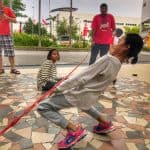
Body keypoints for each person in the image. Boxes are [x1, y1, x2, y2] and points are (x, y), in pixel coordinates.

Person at [37, 34, 143, 149]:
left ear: (126, 46)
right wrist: (110, 52)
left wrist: (57, 88)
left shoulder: (108, 60)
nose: (116, 42)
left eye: (120, 40)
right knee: (85, 104)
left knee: (43, 107)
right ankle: (104, 123)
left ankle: (74, 130)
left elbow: (82, 77)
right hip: (90, 96)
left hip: (79, 95)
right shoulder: (118, 63)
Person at [0, 0, 20, 75]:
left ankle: (13, 68)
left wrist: (7, 17)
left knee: (10, 52)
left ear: (2, 2)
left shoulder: (7, 9)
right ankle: (1, 69)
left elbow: (15, 20)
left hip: (6, 34)